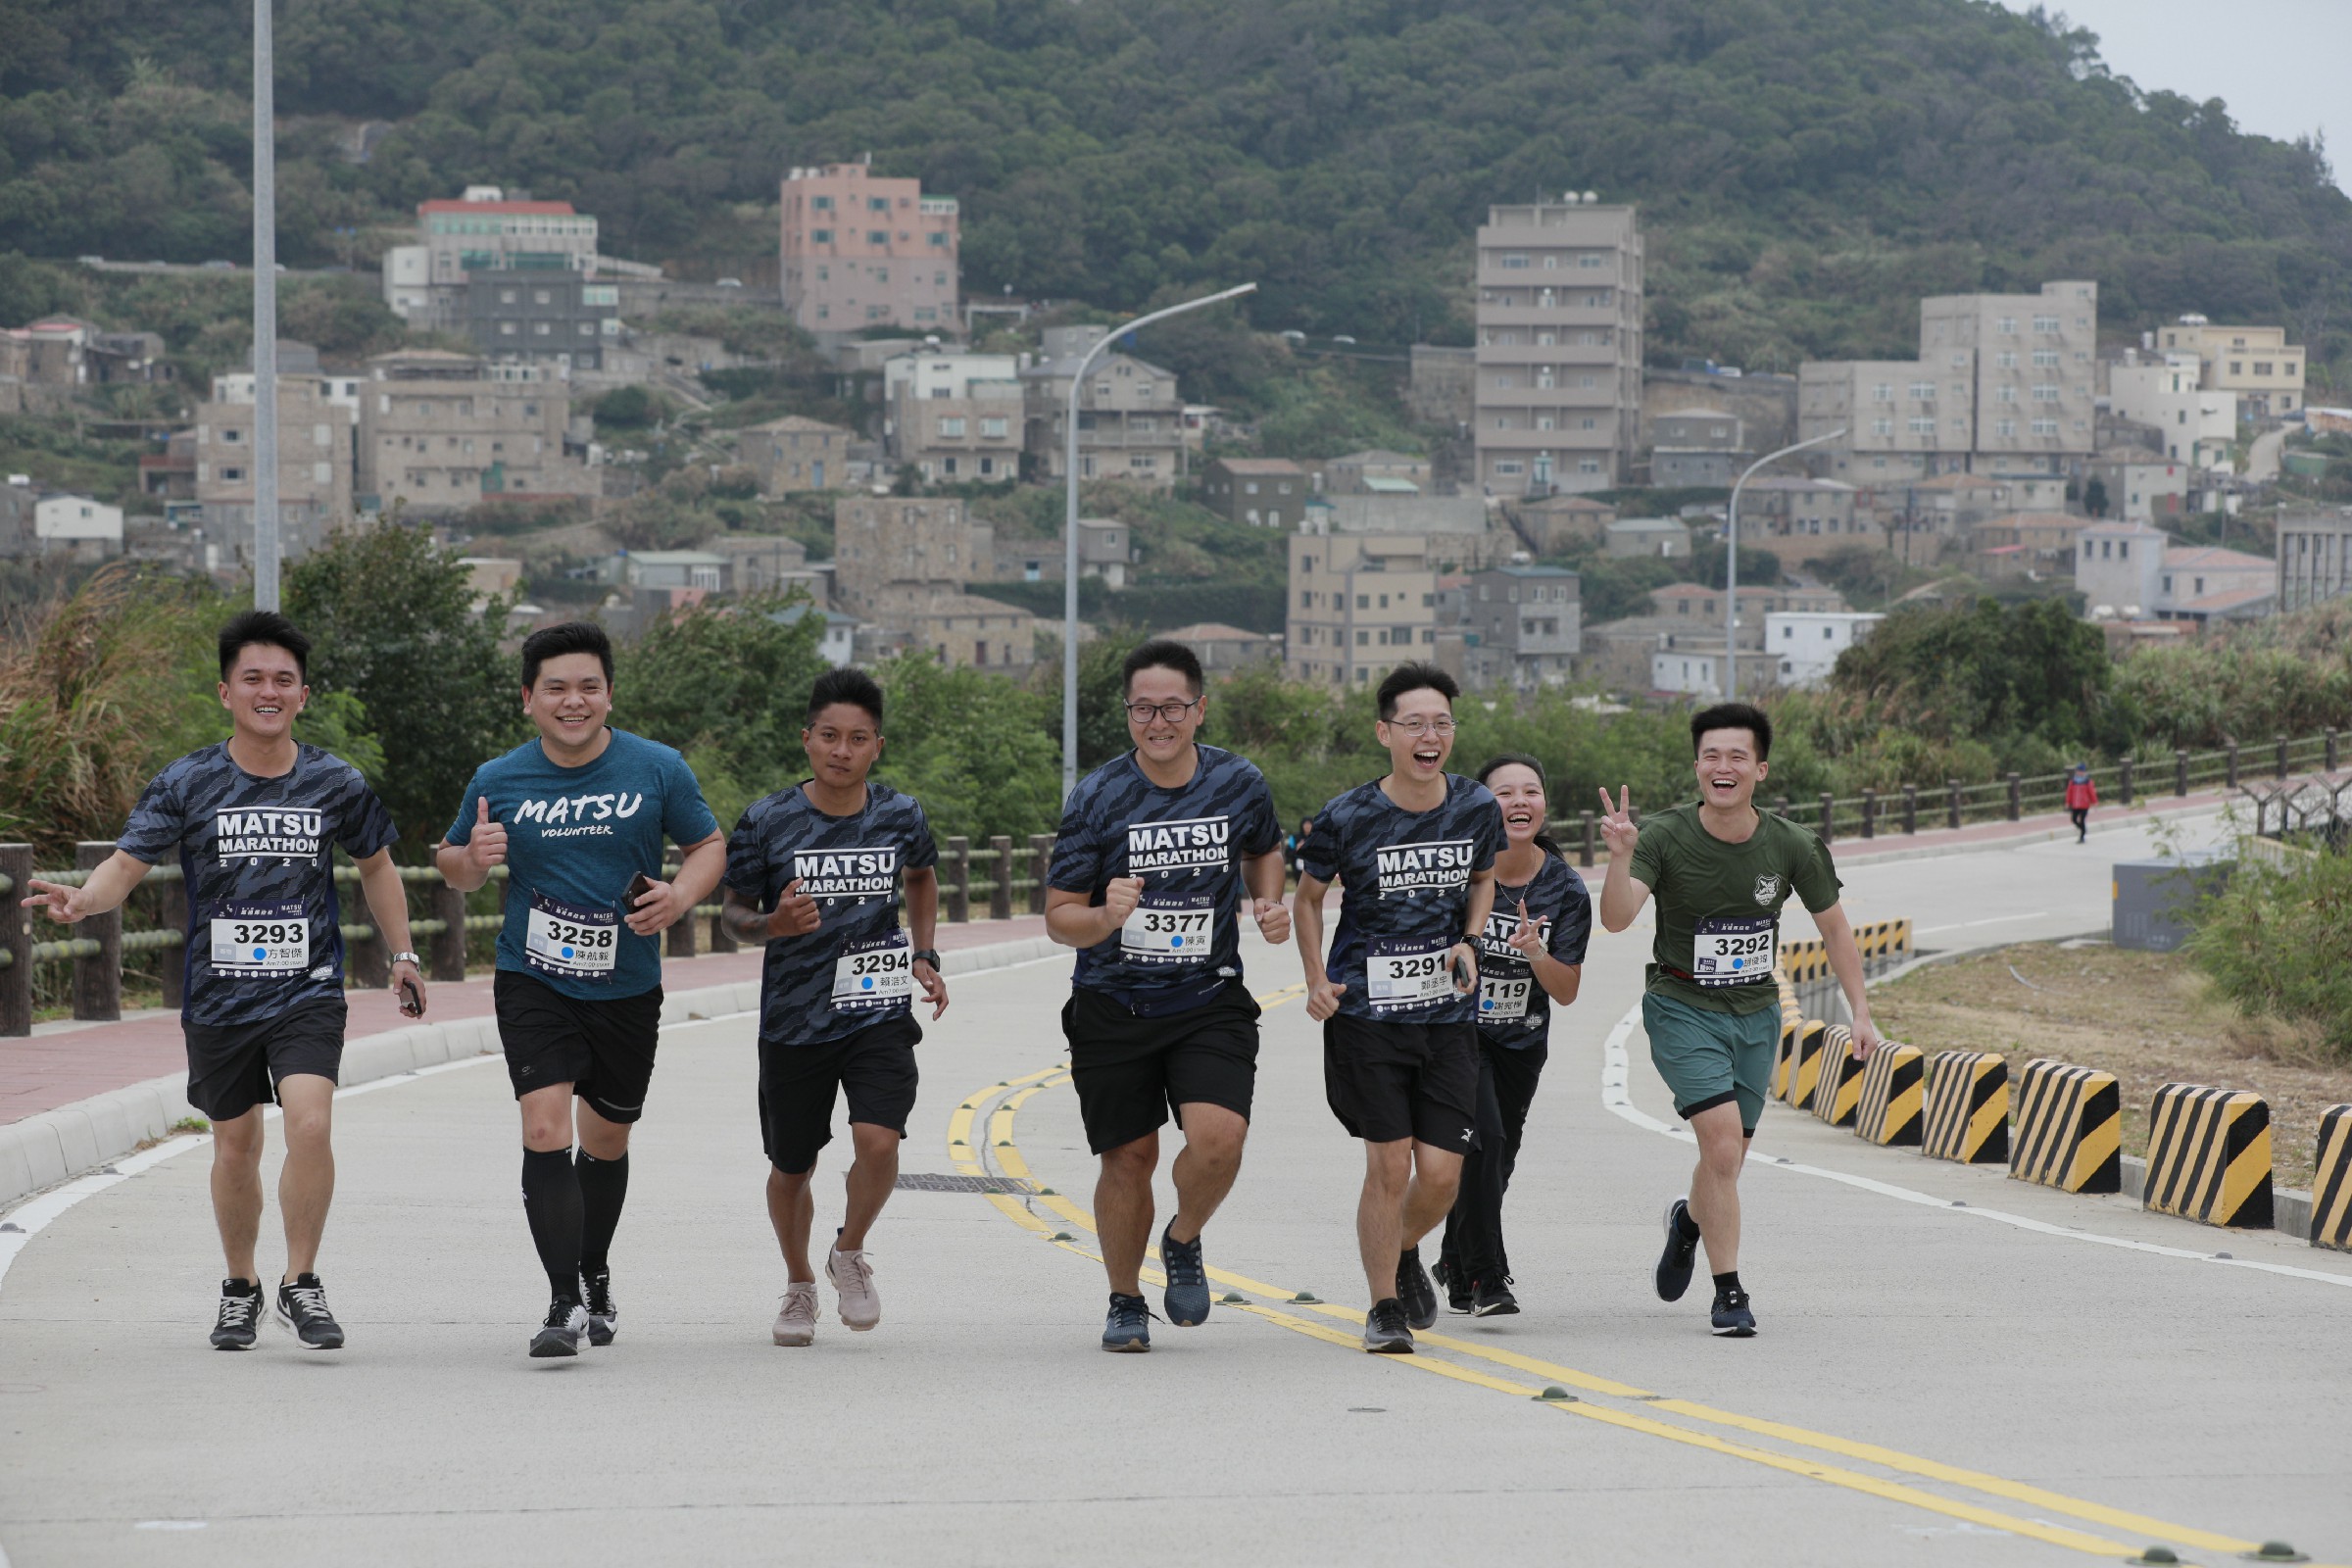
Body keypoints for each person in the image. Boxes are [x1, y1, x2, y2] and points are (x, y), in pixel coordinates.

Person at [26, 610, 425, 1352]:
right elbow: (126, 863)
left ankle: (301, 1282)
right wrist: (82, 899)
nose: (268, 691)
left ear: (303, 695)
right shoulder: (188, 780)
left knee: (310, 1121)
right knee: (236, 1145)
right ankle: (240, 1286)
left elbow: (376, 865)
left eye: (284, 680)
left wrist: (403, 954)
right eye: (254, 679)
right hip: (218, 997)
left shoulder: (336, 781)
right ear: (226, 691)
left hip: (306, 989)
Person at [434, 621, 724, 1359]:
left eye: (588, 687)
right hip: (535, 978)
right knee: (543, 1128)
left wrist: (681, 896)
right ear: (529, 698)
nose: (574, 702)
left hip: (627, 984)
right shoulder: (499, 779)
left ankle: (594, 1270)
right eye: (556, 689)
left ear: (609, 694)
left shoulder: (656, 768)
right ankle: (562, 1300)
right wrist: (472, 858)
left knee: (607, 1140)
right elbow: (452, 862)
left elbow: (708, 844)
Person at [1595, 702, 1883, 1338]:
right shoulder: (1666, 836)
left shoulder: (1791, 845)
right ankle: (1729, 1292)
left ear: (1760, 768)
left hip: (1755, 1014)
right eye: (1711, 756)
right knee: (1722, 1143)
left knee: (1726, 1160)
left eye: (1737, 756)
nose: (1722, 767)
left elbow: (1834, 929)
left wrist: (1861, 1012)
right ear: (1698, 766)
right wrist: (1620, 856)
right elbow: (1615, 919)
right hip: (1680, 1006)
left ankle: (1689, 1223)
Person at [1046, 639, 1288, 1352]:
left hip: (1206, 998)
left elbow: (1264, 848)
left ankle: (1182, 1237)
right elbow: (1061, 916)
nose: (1159, 721)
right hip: (1112, 1004)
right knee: (1129, 1159)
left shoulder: (1239, 781)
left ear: (1199, 709)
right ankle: (1124, 1300)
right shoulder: (1096, 796)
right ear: (1127, 715)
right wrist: (1105, 917)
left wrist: (1267, 900)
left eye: (1173, 707)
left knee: (1220, 1140)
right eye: (1144, 709)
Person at [719, 668, 948, 1348]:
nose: (840, 751)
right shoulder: (767, 819)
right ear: (807, 740)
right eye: (828, 737)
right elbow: (731, 915)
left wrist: (925, 955)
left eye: (856, 739)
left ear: (877, 745)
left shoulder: (900, 815)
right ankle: (798, 1282)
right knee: (793, 1165)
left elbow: (922, 876)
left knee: (879, 1141)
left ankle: (849, 1250)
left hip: (875, 1011)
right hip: (794, 1019)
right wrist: (773, 926)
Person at [1294, 662, 1501, 1354]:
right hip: (1367, 1021)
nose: (1429, 735)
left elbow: (1484, 877)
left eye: (1441, 722)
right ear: (1385, 732)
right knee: (1388, 1166)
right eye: (1414, 723)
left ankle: (1404, 1249)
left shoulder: (1475, 806)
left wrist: (1473, 939)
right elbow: (1308, 898)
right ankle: (1383, 1306)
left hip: (1447, 1021)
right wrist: (1316, 978)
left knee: (1441, 1177)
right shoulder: (1347, 815)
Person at [1434, 755, 1590, 1319]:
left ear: (1544, 804)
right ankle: (1486, 1277)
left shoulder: (1565, 889)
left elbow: (1567, 990)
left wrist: (1535, 951)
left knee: (1494, 1161)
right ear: (1481, 804)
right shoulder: (1460, 874)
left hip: (1522, 1042)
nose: (1519, 802)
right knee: (1485, 1141)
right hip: (1458, 1035)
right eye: (1504, 793)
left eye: (1531, 791)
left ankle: (1452, 1259)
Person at [2065, 763, 2098, 844]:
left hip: (2084, 804)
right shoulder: (2073, 782)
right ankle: (2083, 829)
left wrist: (2094, 802)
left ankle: (2082, 837)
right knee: (2074, 819)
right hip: (2075, 804)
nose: (2079, 773)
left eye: (2081, 771)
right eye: (2078, 771)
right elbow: (2069, 792)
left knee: (2082, 820)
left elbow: (2091, 792)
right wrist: (2067, 802)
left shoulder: (2087, 781)